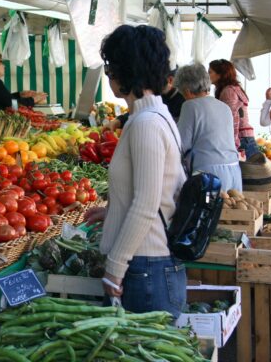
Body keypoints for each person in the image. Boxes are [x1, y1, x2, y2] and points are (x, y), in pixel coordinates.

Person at [84, 25, 186, 318]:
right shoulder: (156, 116)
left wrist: (115, 270)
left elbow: (146, 205)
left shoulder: (145, 124)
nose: (109, 75)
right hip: (152, 265)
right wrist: (113, 212)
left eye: (111, 68)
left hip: (146, 268)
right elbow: (161, 189)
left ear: (126, 71)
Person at [175, 63, 242, 192]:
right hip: (234, 171)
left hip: (209, 175)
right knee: (232, 210)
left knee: (206, 211)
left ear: (187, 91)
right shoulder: (224, 107)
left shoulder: (190, 106)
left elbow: (181, 144)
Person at [208, 59, 258, 158]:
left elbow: (232, 118)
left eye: (210, 72)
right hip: (244, 137)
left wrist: (234, 145)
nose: (207, 75)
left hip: (241, 139)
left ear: (220, 74)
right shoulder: (231, 88)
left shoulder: (228, 91)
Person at [0, 50, 46, 115]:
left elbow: (1, 98)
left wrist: (20, 94)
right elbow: (13, 105)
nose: (4, 66)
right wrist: (33, 99)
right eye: (1, 62)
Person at [106, 69, 183, 131]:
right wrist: (118, 121)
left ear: (170, 80)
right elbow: (139, 110)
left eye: (156, 79)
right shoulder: (157, 95)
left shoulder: (183, 102)